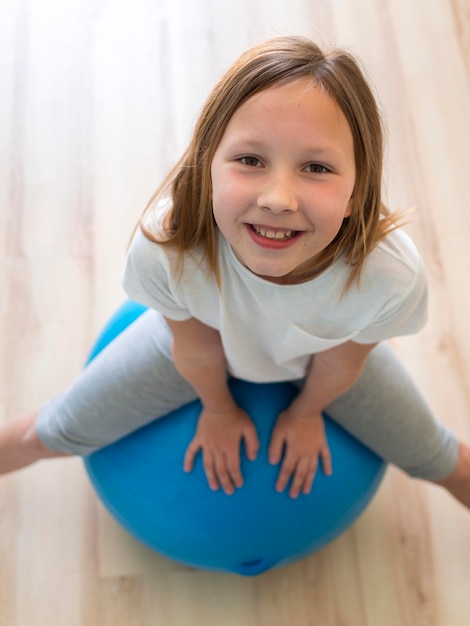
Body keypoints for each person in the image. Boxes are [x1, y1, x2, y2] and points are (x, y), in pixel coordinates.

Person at [1, 36, 469, 507]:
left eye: (316, 167)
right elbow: (194, 346)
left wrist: (307, 414)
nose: (277, 199)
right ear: (207, 166)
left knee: (439, 459)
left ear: (356, 191)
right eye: (250, 160)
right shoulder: (170, 245)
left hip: (324, 359)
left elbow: (342, 363)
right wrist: (218, 408)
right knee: (52, 430)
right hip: (199, 347)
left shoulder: (389, 275)